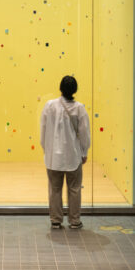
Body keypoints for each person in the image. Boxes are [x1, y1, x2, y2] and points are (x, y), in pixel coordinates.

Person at [39, 75, 91, 229]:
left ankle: (56, 220)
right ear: (75, 90)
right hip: (73, 155)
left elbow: (43, 130)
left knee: (54, 189)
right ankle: (75, 221)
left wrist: (46, 149)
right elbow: (85, 134)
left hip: (53, 157)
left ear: (60, 88)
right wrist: (84, 152)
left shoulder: (49, 106)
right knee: (74, 189)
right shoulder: (79, 108)